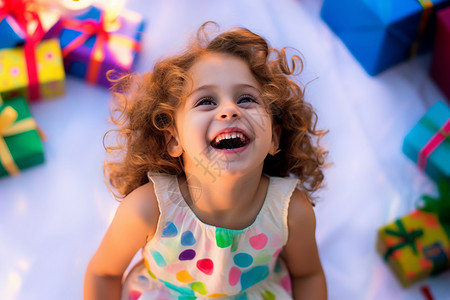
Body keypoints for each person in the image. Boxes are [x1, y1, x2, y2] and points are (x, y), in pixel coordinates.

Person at [83, 22, 328, 300]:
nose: (229, 110)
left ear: (274, 137)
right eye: (206, 102)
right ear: (173, 139)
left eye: (246, 99)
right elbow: (103, 275)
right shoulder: (146, 210)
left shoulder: (291, 213)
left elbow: (308, 275)